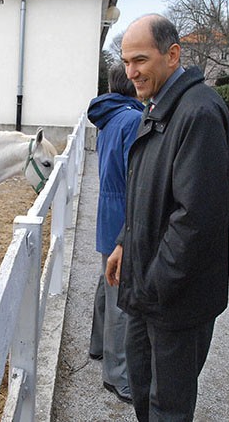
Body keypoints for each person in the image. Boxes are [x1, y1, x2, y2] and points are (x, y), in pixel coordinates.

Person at [106, 14, 229, 421]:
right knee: (143, 392)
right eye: (126, 62)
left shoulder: (199, 113)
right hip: (147, 290)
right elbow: (143, 190)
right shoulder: (157, 105)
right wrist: (125, 242)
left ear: (173, 54)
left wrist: (156, 282)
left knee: (169, 407)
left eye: (140, 60)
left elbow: (195, 218)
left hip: (176, 300)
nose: (131, 72)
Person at [87, 63, 144, 404]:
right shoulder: (133, 119)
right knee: (120, 299)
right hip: (123, 211)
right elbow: (135, 176)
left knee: (105, 284)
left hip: (107, 208)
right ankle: (116, 375)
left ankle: (97, 347)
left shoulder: (109, 117)